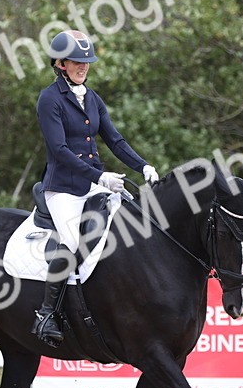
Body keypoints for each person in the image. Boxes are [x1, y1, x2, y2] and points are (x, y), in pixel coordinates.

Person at [32, 29, 159, 346]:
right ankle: (45, 315)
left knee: (130, 217)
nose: (83, 67)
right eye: (76, 62)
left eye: (86, 62)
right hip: (63, 188)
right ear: (60, 63)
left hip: (91, 182)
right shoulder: (49, 99)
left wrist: (142, 166)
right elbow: (60, 150)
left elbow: (115, 140)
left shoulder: (91, 98)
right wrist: (100, 178)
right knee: (72, 239)